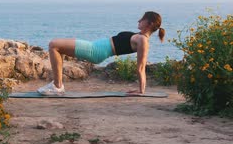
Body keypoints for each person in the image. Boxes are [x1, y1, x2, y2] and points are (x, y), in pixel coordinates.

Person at [37, 11, 165, 96]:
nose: (138, 21)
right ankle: (57, 85)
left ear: (150, 23)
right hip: (95, 47)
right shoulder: (140, 37)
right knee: (57, 48)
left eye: (142, 19)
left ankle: (57, 86)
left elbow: (141, 67)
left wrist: (141, 90)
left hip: (95, 51)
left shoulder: (143, 40)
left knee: (54, 44)